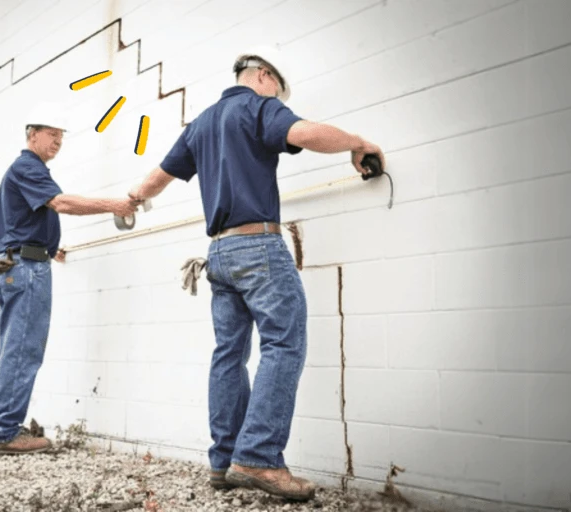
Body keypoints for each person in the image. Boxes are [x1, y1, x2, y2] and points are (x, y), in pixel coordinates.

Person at [127, 46, 386, 499]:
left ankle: (224, 461)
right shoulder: (257, 107)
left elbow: (157, 178)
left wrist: (130, 200)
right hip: (258, 246)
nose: (278, 100)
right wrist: (358, 143)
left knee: (228, 354)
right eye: (278, 91)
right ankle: (259, 458)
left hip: (219, 254)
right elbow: (306, 132)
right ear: (264, 75)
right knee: (284, 343)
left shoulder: (201, 124)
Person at [0, 102, 141, 455]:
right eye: (52, 134)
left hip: (13, 264)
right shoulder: (28, 167)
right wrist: (115, 205)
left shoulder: (26, 171)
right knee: (23, 351)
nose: (58, 142)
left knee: (11, 348)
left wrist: (49, 248)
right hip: (24, 270)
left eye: (61, 137)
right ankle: (4, 433)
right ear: (32, 134)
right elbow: (61, 204)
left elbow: (25, 220)